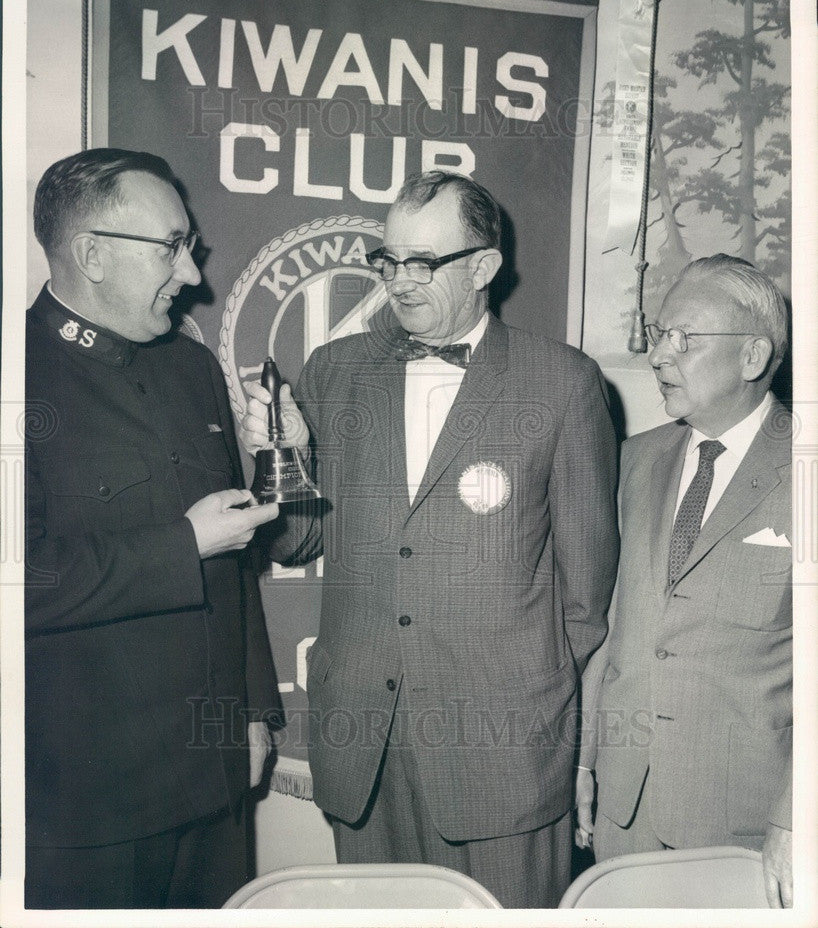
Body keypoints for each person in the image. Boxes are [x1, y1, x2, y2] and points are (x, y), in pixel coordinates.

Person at [241, 170, 619, 908]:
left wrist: (515, 689)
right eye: (389, 260)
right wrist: (272, 464)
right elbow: (294, 544)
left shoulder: (564, 384)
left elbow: (588, 589)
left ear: (483, 266)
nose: (399, 281)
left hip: (501, 750)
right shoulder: (336, 371)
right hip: (365, 747)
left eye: (423, 262)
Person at [25, 148, 281, 908]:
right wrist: (182, 545)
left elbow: (234, 564)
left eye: (189, 248)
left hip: (213, 778)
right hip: (85, 804)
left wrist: (254, 711)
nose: (193, 275)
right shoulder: (14, 370)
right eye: (171, 248)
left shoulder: (189, 368)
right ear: (92, 254)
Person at [575, 255, 792, 908]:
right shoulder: (634, 461)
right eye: (659, 334)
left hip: (747, 826)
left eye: (685, 338)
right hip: (625, 810)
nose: (660, 357)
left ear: (752, 355)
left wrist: (794, 819)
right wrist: (585, 760)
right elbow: (608, 628)